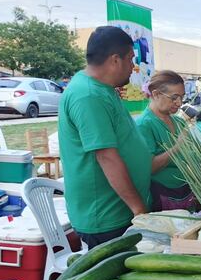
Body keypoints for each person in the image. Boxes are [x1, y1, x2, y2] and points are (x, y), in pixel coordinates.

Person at [58, 26, 151, 247]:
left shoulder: (103, 88)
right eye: (130, 59)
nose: (133, 67)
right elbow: (107, 157)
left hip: (118, 210)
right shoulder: (88, 96)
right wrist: (139, 210)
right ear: (115, 60)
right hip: (106, 216)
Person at [136, 70, 198, 212]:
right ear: (156, 94)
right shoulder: (144, 124)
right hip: (162, 195)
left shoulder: (179, 122)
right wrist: (177, 147)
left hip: (185, 190)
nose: (179, 103)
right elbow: (149, 167)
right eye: (174, 97)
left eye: (182, 97)